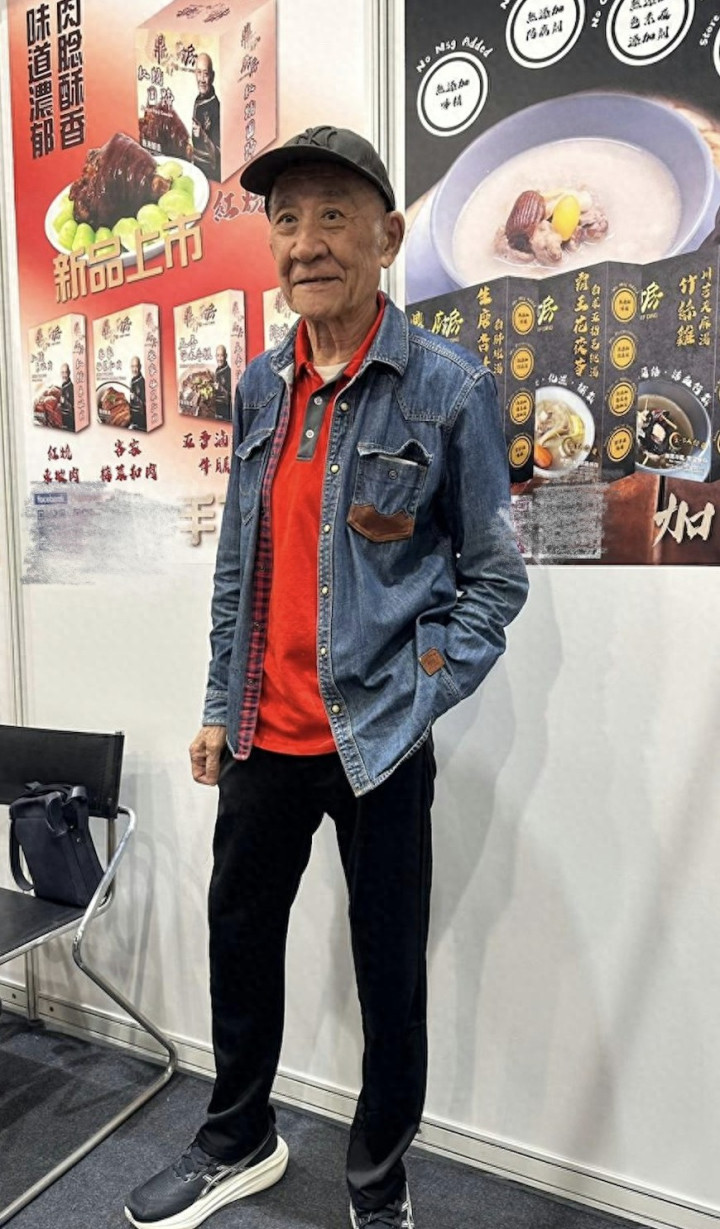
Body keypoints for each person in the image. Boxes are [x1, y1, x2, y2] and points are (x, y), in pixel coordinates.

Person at [125, 126, 528, 1229]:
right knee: (239, 944)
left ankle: (379, 1180)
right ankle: (238, 1139)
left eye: (334, 216)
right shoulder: (260, 385)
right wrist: (220, 705)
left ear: (388, 237)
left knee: (388, 974)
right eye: (287, 219)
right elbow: (239, 565)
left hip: (379, 741)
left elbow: (495, 581)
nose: (306, 242)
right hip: (264, 733)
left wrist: (417, 691)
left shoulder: (448, 387)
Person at [192, 52, 221, 181]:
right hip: (197, 167)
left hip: (210, 174)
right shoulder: (199, 99)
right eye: (199, 73)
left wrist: (202, 135)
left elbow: (218, 152)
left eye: (206, 74)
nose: (202, 79)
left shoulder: (215, 106)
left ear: (212, 76)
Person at [213, 344, 232, 420]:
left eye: (221, 356)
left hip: (226, 414)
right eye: (218, 356)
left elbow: (232, 397)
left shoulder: (229, 372)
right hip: (216, 411)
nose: (219, 359)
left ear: (226, 356)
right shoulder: (217, 370)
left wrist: (220, 388)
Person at [129, 356, 147, 432]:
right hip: (133, 418)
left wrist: (135, 398)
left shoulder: (142, 382)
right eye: (132, 366)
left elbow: (145, 404)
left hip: (140, 421)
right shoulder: (133, 380)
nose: (134, 369)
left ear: (140, 366)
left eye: (136, 366)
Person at [59, 362, 74, 431]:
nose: (64, 375)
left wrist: (64, 401)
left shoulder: (71, 388)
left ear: (69, 373)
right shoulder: (64, 385)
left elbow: (72, 408)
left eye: (66, 372)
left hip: (69, 424)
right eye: (62, 372)